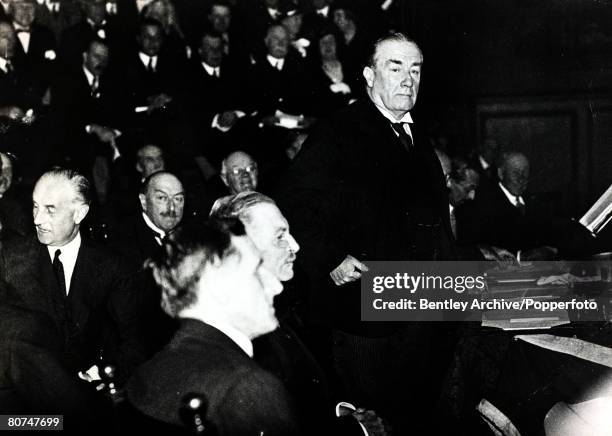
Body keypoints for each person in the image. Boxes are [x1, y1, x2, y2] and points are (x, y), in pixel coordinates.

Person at [277, 32, 454, 433]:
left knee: (414, 417)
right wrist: (328, 259)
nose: (408, 79)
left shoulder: (416, 135)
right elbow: (290, 200)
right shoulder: (339, 131)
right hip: (363, 313)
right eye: (395, 68)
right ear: (369, 76)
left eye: (415, 69)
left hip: (420, 307)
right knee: (373, 421)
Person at [211, 191, 386, 435]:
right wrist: (355, 429)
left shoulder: (274, 307)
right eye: (280, 236)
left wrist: (340, 411)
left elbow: (306, 389)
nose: (296, 245)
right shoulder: (235, 332)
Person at [126, 218, 299, 435]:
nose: (276, 286)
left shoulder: (147, 372)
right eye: (256, 271)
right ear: (216, 285)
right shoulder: (249, 386)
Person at [0, 168, 145, 382]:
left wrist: (100, 373)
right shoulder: (8, 258)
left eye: (50, 209)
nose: (38, 219)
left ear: (80, 213)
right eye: (35, 206)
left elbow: (135, 340)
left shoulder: (112, 266)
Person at [113, 171, 184, 355]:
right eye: (162, 198)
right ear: (144, 202)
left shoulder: (193, 235)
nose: (172, 208)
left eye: (178, 199)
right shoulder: (122, 243)